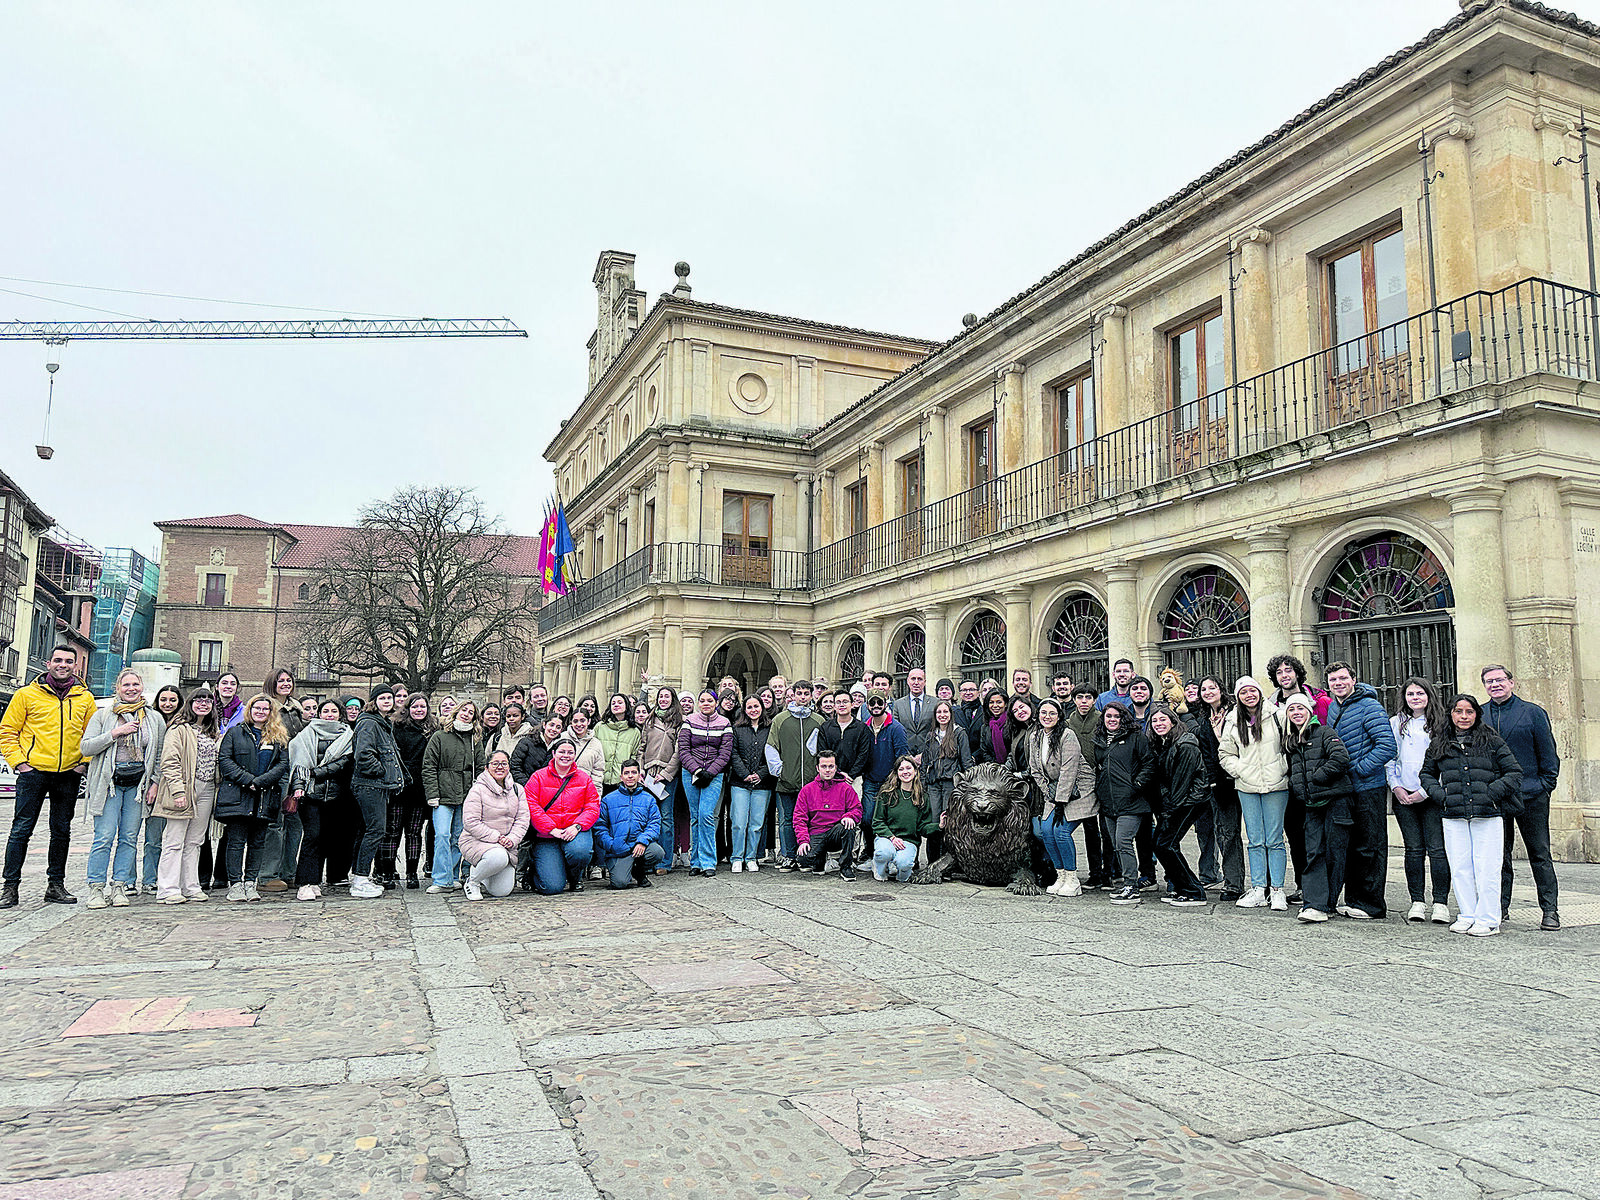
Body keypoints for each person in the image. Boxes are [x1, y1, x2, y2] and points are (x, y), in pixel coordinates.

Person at [0, 645, 97, 908]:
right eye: (57, 660)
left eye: (68, 661)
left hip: (69, 773)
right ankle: (10, 887)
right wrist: (20, 764)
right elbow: (8, 731)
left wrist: (83, 764)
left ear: (75, 666)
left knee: (61, 831)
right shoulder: (26, 695)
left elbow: (92, 735)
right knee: (21, 830)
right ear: (48, 663)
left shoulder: (85, 698)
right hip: (33, 772)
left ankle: (55, 885)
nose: (62, 664)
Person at [1422, 693, 1524, 936]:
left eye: (1469, 712)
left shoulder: (1491, 740)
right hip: (1453, 813)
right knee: (1459, 866)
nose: (1464, 716)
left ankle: (1489, 918)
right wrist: (1440, 795)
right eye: (1459, 711)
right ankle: (1467, 914)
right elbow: (1426, 774)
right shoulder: (1439, 742)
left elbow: (1514, 773)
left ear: (1477, 714)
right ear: (1451, 714)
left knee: (1487, 867)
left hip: (1487, 813)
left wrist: (1491, 793)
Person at [1481, 664, 1562, 930]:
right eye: (1489, 681)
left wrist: (1545, 784)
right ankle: (1500, 907)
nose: (1495, 685)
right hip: (1496, 795)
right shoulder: (1480, 715)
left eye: (1500, 680)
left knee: (1539, 853)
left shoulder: (1533, 712)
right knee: (1498, 856)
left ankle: (1550, 910)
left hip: (1532, 793)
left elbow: (1548, 754)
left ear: (1511, 682)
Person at [81, 669, 166, 910]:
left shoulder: (153, 718)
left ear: (141, 687)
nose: (131, 689)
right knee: (104, 837)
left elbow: (158, 754)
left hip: (138, 785)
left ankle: (119, 885)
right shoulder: (103, 715)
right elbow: (86, 747)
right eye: (126, 685)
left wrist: (155, 783)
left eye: (135, 684)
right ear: (117, 688)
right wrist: (115, 734)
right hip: (109, 783)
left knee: (129, 838)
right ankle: (96, 887)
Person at [1324, 662, 1398, 920]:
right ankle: (1354, 900)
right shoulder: (1334, 708)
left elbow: (1387, 746)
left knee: (1371, 845)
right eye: (1333, 680)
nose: (1338, 683)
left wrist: (1357, 769)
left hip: (1368, 787)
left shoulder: (1370, 706)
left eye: (1343, 678)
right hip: (1346, 790)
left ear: (1354, 679)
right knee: (1353, 845)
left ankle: (1372, 904)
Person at [1280, 693, 1354, 924]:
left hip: (1335, 801)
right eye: (1292, 710)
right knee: (1312, 852)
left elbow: (1341, 758)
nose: (1296, 713)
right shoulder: (1291, 741)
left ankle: (1327, 903)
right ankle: (1314, 904)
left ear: (1309, 711)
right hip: (1312, 805)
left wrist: (1318, 777)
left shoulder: (1324, 733)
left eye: (1300, 708)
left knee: (1335, 853)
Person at [1218, 676, 1289, 911]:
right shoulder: (1232, 720)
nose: (1249, 695)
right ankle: (1259, 888)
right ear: (1238, 697)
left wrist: (1283, 768)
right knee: (1255, 840)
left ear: (1259, 692)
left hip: (1276, 785)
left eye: (1253, 691)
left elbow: (1289, 745)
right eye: (1244, 692)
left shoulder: (1277, 715)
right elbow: (1225, 753)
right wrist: (1241, 771)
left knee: (1275, 839)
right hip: (1247, 786)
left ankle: (1277, 889)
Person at [1387, 678, 1453, 924]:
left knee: (1437, 850)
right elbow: (1390, 757)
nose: (1415, 698)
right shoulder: (1396, 723)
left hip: (1432, 795)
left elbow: (1445, 760)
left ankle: (1440, 903)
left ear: (1429, 696)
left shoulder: (1441, 724)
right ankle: (1417, 901)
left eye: (1420, 693)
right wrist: (1396, 787)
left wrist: (1427, 790)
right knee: (1413, 850)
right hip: (1404, 795)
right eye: (1410, 694)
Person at [216, 693, 289, 901]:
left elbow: (282, 764)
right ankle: (236, 884)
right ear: (250, 710)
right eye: (257, 708)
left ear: (270, 712)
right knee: (236, 841)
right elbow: (225, 760)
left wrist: (261, 781)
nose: (261, 712)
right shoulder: (235, 732)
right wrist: (248, 780)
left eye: (265, 709)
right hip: (238, 794)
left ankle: (251, 882)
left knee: (258, 842)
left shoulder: (278, 735)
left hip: (265, 796)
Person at [151, 688, 221, 903]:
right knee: (174, 840)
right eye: (199, 700)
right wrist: (178, 790)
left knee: (195, 841)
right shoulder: (179, 729)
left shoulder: (212, 731)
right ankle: (168, 888)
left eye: (208, 701)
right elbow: (169, 761)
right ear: (190, 703)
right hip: (183, 788)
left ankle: (190, 885)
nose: (203, 704)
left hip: (207, 788)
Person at [1021, 698, 1096, 897]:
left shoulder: (1067, 735)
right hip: (1055, 792)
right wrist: (1050, 793)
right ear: (1038, 715)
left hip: (1078, 791)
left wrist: (1060, 801)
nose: (1047, 716)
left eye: (1052, 713)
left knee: (1061, 832)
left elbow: (1069, 771)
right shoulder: (1035, 736)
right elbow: (1035, 770)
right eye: (1043, 713)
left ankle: (1072, 878)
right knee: (1046, 831)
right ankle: (1060, 875)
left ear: (1059, 716)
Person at [286, 698, 354, 901]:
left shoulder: (349, 736)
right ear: (319, 714)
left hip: (337, 796)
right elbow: (298, 764)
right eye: (326, 711)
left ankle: (316, 881)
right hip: (311, 795)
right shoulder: (306, 734)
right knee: (312, 836)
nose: (330, 714)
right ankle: (305, 882)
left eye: (334, 711)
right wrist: (298, 786)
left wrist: (314, 772)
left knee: (327, 839)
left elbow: (343, 763)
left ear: (340, 714)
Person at [1145, 705, 1210, 908]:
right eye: (1155, 721)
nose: (1158, 724)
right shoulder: (1166, 743)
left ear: (1173, 721)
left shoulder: (1186, 744)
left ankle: (1194, 891)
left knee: (1166, 844)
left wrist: (1168, 812)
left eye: (1163, 720)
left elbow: (1182, 783)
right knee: (1162, 844)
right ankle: (1184, 888)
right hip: (1178, 801)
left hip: (1191, 800)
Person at [1191, 675, 1244, 902]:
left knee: (1261, 836)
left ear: (1222, 690)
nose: (1208, 692)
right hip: (1221, 784)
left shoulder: (1237, 713)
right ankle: (1234, 884)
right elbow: (1207, 754)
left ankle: (1269, 885)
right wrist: (1213, 781)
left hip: (1245, 777)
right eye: (1204, 689)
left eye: (1212, 687)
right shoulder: (1204, 720)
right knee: (1227, 833)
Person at [423, 697, 485, 893]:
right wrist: (432, 793)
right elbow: (429, 766)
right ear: (457, 711)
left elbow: (481, 767)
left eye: (471, 712)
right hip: (443, 794)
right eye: (464, 710)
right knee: (442, 834)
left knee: (458, 837)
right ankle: (441, 879)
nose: (466, 714)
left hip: (466, 794)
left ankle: (451, 876)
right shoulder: (440, 736)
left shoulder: (475, 740)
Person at [348, 685, 404, 900]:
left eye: (390, 697)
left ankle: (359, 876)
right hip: (370, 785)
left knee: (367, 831)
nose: (387, 701)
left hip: (376, 786)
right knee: (375, 831)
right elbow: (363, 754)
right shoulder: (369, 723)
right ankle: (361, 879)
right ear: (374, 701)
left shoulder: (382, 723)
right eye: (382, 698)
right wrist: (381, 772)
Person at [525, 734, 600, 894]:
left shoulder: (584, 778)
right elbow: (531, 805)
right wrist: (551, 829)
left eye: (570, 752)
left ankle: (575, 877)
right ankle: (535, 872)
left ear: (575, 755)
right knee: (552, 887)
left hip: (574, 831)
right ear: (553, 754)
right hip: (546, 835)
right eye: (562, 752)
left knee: (580, 852)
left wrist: (577, 826)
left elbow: (592, 806)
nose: (566, 756)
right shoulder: (538, 777)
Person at [1096, 702, 1155, 905]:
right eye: (1108, 716)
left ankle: (1131, 885)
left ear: (1124, 718)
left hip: (1132, 801)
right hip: (1108, 803)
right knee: (1115, 844)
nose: (1112, 720)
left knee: (1123, 841)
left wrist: (1136, 784)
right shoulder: (1100, 740)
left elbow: (1149, 763)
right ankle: (1127, 883)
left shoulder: (1136, 737)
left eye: (1116, 716)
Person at [256, 667, 305, 894]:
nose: (285, 683)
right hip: (278, 771)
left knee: (295, 824)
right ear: (272, 684)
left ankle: (289, 872)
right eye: (280, 680)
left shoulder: (296, 709)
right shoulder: (267, 707)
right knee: (275, 824)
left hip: (297, 772)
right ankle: (268, 875)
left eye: (288, 680)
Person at [768, 680, 824, 872]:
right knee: (786, 820)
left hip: (810, 783)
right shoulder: (780, 719)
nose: (802, 697)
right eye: (799, 693)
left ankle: (805, 857)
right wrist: (780, 771)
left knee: (809, 820)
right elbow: (771, 747)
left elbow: (822, 751)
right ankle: (788, 855)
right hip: (787, 781)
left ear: (810, 695)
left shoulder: (818, 721)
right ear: (793, 694)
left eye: (806, 693)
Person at [459, 751, 529, 900]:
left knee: (501, 891)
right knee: (498, 857)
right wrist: (497, 838)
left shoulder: (518, 790)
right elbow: (471, 821)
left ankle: (483, 871)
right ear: (486, 768)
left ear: (509, 767)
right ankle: (473, 881)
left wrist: (512, 839)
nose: (500, 767)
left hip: (507, 845)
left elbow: (522, 819)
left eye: (504, 763)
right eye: (495, 763)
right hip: (477, 841)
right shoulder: (477, 790)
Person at [678, 689, 732, 877]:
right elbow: (683, 749)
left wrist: (710, 772)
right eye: (702, 700)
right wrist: (697, 770)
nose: (706, 703)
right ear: (699, 703)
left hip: (714, 774)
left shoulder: (724, 723)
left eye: (710, 700)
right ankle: (696, 862)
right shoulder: (689, 721)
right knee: (695, 816)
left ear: (716, 703)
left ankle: (708, 861)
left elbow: (725, 752)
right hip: (691, 772)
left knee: (706, 814)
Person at [1065, 686, 1114, 890]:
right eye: (1080, 697)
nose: (1084, 701)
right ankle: (1094, 873)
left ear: (1094, 700)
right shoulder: (1068, 722)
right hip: (1080, 781)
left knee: (1107, 829)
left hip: (1102, 778)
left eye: (1088, 697)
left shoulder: (1102, 718)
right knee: (1090, 829)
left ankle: (1110, 872)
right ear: (1074, 700)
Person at [138, 684, 184, 895]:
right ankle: (138, 879)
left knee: (165, 838)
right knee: (141, 837)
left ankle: (155, 878)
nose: (168, 704)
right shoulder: (148, 721)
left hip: (172, 786)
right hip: (148, 783)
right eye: (164, 699)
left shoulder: (184, 725)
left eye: (172, 700)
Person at [387, 694, 436, 889]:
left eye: (422, 707)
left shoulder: (432, 730)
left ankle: (411, 873)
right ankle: (388, 871)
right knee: (393, 832)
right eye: (415, 707)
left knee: (414, 833)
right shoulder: (397, 727)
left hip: (419, 788)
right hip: (399, 787)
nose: (419, 710)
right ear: (408, 708)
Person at [594, 758, 663, 889]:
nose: (630, 776)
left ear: (639, 775)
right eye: (626, 773)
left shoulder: (649, 799)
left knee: (657, 852)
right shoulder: (608, 799)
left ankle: (639, 872)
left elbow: (654, 824)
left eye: (633, 772)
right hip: (618, 849)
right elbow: (600, 827)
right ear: (621, 777)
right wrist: (611, 844)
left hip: (639, 846)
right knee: (620, 884)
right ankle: (625, 869)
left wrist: (643, 841)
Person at [792, 750, 862, 879]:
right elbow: (799, 819)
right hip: (816, 833)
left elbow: (857, 809)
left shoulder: (845, 788)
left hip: (836, 833)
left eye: (831, 766)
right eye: (824, 766)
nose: (828, 770)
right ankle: (819, 860)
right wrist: (803, 841)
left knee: (849, 826)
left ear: (836, 768)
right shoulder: (807, 790)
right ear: (817, 768)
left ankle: (846, 866)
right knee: (803, 860)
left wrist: (850, 816)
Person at [859, 692, 910, 863]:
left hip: (890, 782)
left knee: (890, 820)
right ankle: (870, 852)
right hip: (871, 781)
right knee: (867, 819)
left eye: (879, 702)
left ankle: (894, 855)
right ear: (867, 706)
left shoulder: (896, 728)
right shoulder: (864, 728)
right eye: (871, 703)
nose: (875, 706)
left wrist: (897, 780)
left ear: (885, 703)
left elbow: (902, 756)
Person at [920, 700, 972, 865]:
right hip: (934, 784)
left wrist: (966, 786)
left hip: (951, 784)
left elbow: (966, 762)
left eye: (945, 712)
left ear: (951, 715)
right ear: (935, 715)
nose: (942, 715)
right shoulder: (930, 736)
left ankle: (949, 863)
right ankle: (932, 862)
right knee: (935, 823)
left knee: (950, 823)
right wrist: (922, 785)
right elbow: (925, 763)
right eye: (939, 712)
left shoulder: (959, 733)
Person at [638, 687, 682, 874]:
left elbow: (679, 751)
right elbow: (641, 747)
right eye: (661, 696)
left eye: (667, 696)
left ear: (673, 699)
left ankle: (664, 862)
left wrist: (665, 773)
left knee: (666, 818)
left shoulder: (679, 721)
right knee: (648, 818)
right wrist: (640, 769)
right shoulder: (650, 719)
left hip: (666, 776)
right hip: (648, 774)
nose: (664, 699)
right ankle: (648, 859)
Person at [871, 756, 935, 882]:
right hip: (887, 838)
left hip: (909, 841)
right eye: (901, 769)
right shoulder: (886, 794)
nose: (905, 772)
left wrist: (940, 826)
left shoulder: (922, 797)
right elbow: (877, 822)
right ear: (896, 773)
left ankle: (898, 868)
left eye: (908, 768)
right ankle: (879, 867)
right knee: (884, 853)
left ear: (915, 771)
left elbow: (923, 827)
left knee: (904, 865)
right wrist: (892, 837)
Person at [729, 695, 773, 872]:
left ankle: (751, 857)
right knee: (739, 822)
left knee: (756, 823)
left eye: (756, 706)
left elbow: (773, 753)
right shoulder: (737, 729)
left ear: (761, 708)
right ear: (744, 710)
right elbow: (733, 754)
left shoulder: (770, 729)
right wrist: (745, 774)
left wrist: (760, 773)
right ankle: (737, 857)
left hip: (762, 782)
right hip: (740, 782)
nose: (753, 710)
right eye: (750, 707)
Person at [596, 694, 641, 792]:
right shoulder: (600, 727)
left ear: (627, 706)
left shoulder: (634, 731)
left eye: (620, 703)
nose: (616, 705)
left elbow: (635, 756)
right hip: (600, 779)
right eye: (613, 703)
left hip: (621, 781)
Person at [890, 668, 934, 749]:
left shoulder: (934, 703)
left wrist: (924, 754)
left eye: (920, 679)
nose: (916, 682)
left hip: (929, 754)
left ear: (924, 682)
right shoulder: (898, 704)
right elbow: (896, 731)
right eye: (913, 679)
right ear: (908, 681)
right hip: (906, 754)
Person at [565, 710, 606, 785]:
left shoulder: (596, 744)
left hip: (583, 789)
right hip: (561, 787)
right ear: (571, 722)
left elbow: (597, 772)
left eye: (582, 720)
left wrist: (596, 793)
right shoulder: (562, 737)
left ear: (588, 721)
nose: (579, 724)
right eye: (575, 721)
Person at [975, 689, 1012, 764]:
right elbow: (984, 751)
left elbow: (1014, 749)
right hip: (993, 770)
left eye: (999, 702)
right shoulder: (985, 727)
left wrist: (1006, 767)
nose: (995, 706)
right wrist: (995, 768)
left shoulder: (1012, 723)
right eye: (991, 702)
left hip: (1013, 769)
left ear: (1006, 704)